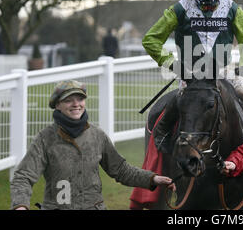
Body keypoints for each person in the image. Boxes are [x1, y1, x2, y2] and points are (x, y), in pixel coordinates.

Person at [141, 0, 243, 153]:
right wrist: (174, 65)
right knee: (181, 99)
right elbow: (150, 40)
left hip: (222, 73)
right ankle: (161, 135)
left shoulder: (232, 8)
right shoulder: (180, 8)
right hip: (190, 74)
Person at [10, 80, 175, 210]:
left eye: (80, 98)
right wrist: (20, 206)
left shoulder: (97, 135)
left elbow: (121, 170)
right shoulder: (44, 139)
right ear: (57, 105)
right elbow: (23, 176)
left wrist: (153, 178)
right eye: (68, 100)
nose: (76, 104)